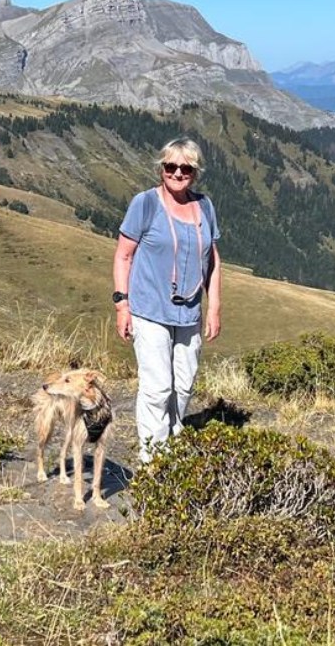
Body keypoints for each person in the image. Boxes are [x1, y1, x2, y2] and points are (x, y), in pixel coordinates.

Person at [112, 137, 221, 462]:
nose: (177, 173)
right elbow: (123, 256)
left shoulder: (204, 207)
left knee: (184, 387)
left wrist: (214, 306)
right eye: (170, 166)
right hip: (149, 311)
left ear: (195, 172)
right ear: (161, 168)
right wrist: (122, 305)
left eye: (185, 168)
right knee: (158, 388)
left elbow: (213, 261)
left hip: (189, 315)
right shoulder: (144, 203)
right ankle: (152, 464)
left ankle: (170, 449)